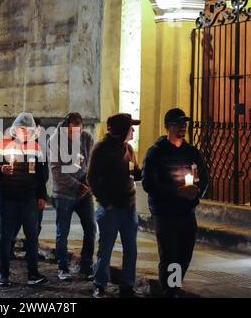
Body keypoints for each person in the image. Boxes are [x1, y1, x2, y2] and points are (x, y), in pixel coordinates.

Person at [142, 108, 208, 298]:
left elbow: (203, 178)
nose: (182, 128)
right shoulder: (156, 153)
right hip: (165, 213)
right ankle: (170, 293)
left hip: (186, 212)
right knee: (170, 256)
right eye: (178, 124)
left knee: (184, 255)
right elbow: (149, 183)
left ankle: (173, 288)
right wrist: (176, 192)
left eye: (184, 125)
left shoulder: (191, 152)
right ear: (167, 127)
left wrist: (195, 193)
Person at [0, 112, 48, 287]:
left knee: (31, 236)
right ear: (14, 130)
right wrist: (0, 169)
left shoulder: (36, 148)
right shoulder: (2, 145)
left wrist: (41, 197)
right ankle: (3, 274)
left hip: (29, 199)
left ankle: (33, 274)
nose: (23, 132)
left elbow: (41, 176)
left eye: (26, 130)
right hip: (7, 198)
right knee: (6, 236)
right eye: (20, 129)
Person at [87, 113, 142, 298]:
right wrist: (105, 202)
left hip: (129, 205)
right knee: (106, 248)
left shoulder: (128, 149)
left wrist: (141, 171)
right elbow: (92, 178)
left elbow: (136, 173)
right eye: (130, 127)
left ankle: (127, 285)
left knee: (131, 248)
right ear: (122, 130)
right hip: (111, 208)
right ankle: (99, 284)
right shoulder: (101, 149)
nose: (133, 130)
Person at [48, 112, 96, 281]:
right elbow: (56, 170)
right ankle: (62, 267)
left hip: (85, 193)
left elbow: (92, 163)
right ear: (66, 126)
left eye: (79, 129)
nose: (76, 133)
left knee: (91, 228)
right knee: (63, 232)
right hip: (64, 193)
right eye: (72, 130)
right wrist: (76, 186)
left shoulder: (86, 138)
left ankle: (86, 266)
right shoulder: (55, 140)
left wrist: (88, 183)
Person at [11, 117, 49, 258]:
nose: (37, 131)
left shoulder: (40, 146)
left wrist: (42, 195)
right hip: (23, 192)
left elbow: (42, 171)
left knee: (36, 225)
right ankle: (9, 248)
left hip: (36, 191)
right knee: (16, 223)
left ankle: (30, 250)